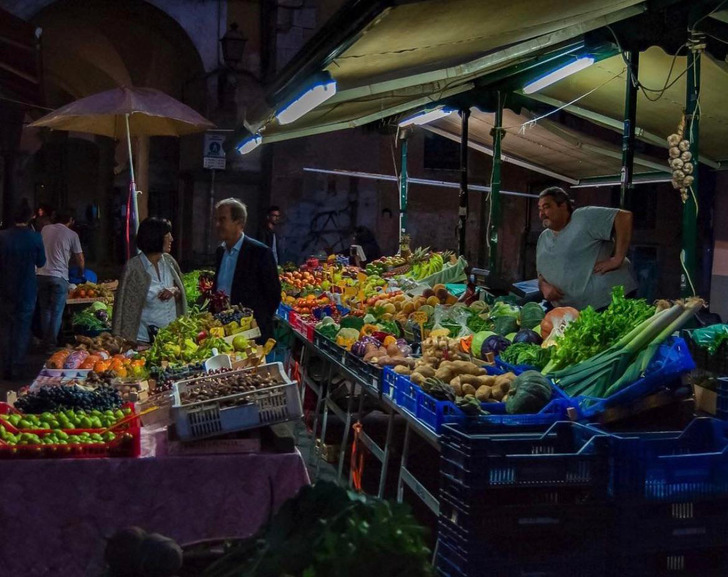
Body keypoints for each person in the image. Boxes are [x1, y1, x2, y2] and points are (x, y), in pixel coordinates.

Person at [536, 187, 637, 311]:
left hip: (605, 303)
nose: (541, 214)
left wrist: (618, 258)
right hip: (568, 310)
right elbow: (541, 272)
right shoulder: (543, 237)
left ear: (563, 205)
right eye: (540, 209)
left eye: (546, 207)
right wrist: (543, 285)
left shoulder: (582, 218)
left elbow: (624, 217)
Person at [213, 198, 281, 343]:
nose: (217, 225)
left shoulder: (260, 252)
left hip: (251, 336)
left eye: (222, 220)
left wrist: (255, 322)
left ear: (239, 222)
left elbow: (274, 295)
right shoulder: (220, 251)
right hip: (223, 332)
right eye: (217, 219)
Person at [112, 218, 187, 344]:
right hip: (143, 341)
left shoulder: (169, 262)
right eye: (167, 235)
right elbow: (125, 308)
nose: (171, 239)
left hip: (172, 339)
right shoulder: (134, 268)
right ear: (155, 237)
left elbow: (180, 294)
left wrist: (174, 290)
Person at [0, 205, 46, 379]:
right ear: (30, 218)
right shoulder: (35, 238)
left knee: (5, 327)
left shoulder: (2, 237)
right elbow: (41, 262)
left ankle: (5, 365)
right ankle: (17, 365)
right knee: (22, 327)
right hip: (27, 287)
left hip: (5, 287)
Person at [36, 208, 85, 352]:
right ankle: (51, 345)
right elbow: (80, 258)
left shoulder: (45, 229)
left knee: (45, 310)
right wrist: (82, 273)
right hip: (59, 276)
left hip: (41, 274)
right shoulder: (72, 234)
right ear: (70, 220)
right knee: (57, 311)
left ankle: (46, 341)